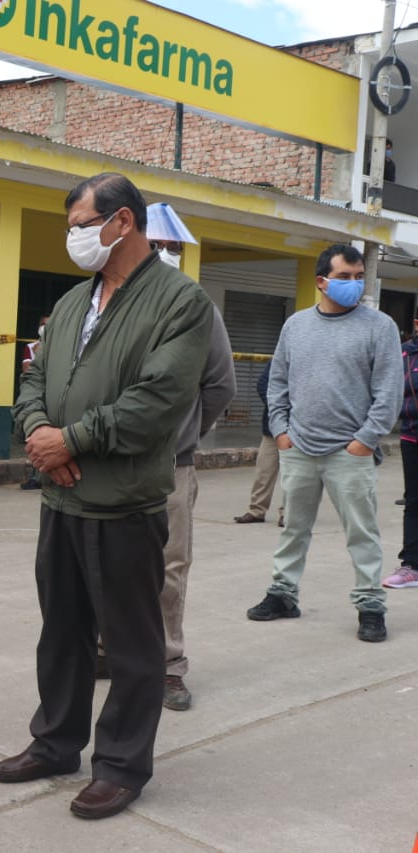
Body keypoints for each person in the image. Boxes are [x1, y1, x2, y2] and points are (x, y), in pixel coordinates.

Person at [0, 173, 214, 820]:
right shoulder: (69, 304)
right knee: (61, 635)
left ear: (122, 223)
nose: (74, 238)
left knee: (131, 645)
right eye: (70, 227)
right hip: (61, 503)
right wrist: (38, 434)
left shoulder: (180, 303)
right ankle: (56, 742)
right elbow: (32, 378)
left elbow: (157, 403)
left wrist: (74, 443)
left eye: (81, 225)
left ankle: (120, 765)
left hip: (125, 505)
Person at [245, 244, 402, 642]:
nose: (353, 284)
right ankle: (283, 595)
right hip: (298, 447)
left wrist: (365, 440)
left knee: (361, 533)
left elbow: (389, 392)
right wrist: (281, 432)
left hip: (350, 452)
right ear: (322, 281)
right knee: (293, 529)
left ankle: (370, 605)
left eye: (358, 277)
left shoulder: (378, 326)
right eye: (344, 277)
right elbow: (277, 381)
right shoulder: (295, 326)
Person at [146, 204, 237, 712]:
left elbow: (221, 384)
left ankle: (167, 666)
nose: (165, 256)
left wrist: (187, 435)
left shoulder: (197, 308)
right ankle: (105, 649)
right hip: (104, 462)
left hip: (170, 466)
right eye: (157, 245)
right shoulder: (102, 303)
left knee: (168, 568)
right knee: (103, 563)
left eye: (173, 248)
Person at [386, 317, 418, 589]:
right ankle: (412, 565)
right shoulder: (403, 354)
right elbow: (389, 390)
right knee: (414, 502)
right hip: (412, 436)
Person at [233, 362, 284, 527]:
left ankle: (288, 513)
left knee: (293, 475)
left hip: (298, 429)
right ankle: (257, 511)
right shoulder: (279, 357)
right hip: (272, 428)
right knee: (264, 471)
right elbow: (263, 384)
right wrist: (279, 408)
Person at [19, 314, 49, 490]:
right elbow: (28, 370)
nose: (45, 327)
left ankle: (43, 475)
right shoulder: (31, 347)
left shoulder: (61, 346)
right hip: (35, 398)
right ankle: (35, 475)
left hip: (53, 396)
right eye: (43, 324)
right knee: (33, 436)